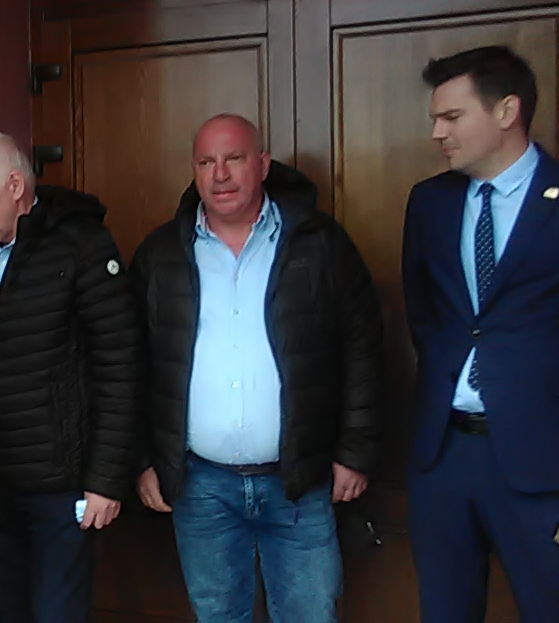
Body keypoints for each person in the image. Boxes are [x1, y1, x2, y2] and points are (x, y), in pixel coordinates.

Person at [402, 45, 559, 623]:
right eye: (435, 118)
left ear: (507, 111)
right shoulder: (430, 203)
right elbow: (425, 317)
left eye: (452, 116)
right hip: (443, 457)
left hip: (546, 464)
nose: (437, 132)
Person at [130, 114, 384, 623]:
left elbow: (362, 348)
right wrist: (141, 459)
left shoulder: (319, 243)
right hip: (201, 486)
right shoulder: (160, 255)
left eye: (234, 158)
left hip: (299, 481)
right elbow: (133, 364)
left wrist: (354, 452)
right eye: (206, 162)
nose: (220, 174)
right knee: (218, 616)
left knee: (310, 614)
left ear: (263, 164)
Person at [0, 133, 140, 623]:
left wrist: (105, 481)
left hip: (61, 484)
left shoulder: (81, 244)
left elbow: (120, 365)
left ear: (15, 186)